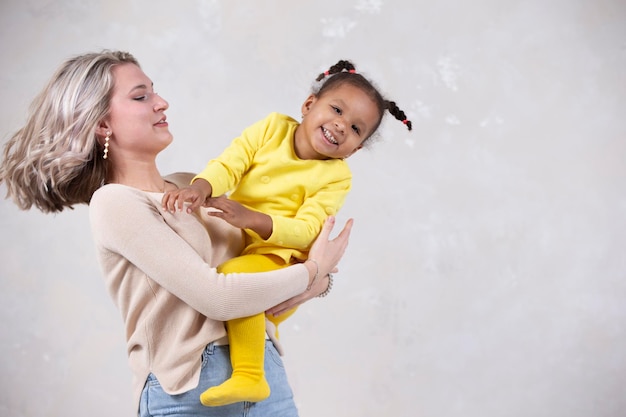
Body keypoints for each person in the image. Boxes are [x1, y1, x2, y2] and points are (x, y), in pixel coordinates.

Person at [0, 50, 354, 417]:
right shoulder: (116, 203)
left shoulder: (191, 185)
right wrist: (312, 272)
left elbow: (257, 268)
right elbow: (218, 298)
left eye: (155, 91)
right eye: (141, 96)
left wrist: (319, 280)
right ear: (103, 124)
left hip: (265, 379)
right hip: (187, 393)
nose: (161, 102)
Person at [161, 59, 412, 406]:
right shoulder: (272, 128)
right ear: (309, 105)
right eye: (336, 109)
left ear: (355, 149)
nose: (340, 126)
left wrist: (253, 218)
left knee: (237, 280)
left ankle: (250, 376)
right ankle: (252, 348)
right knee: (239, 288)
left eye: (355, 129)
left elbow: (309, 231)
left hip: (283, 258)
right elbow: (232, 161)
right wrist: (202, 187)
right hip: (244, 246)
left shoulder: (336, 176)